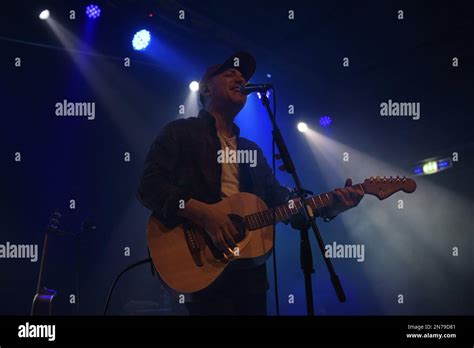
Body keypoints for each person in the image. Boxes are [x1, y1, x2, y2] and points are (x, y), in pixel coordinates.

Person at [137, 51, 364, 315]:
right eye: (229, 73)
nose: (240, 77)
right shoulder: (180, 132)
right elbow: (149, 186)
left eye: (243, 75)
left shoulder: (252, 151)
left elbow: (285, 205)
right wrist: (203, 213)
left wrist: (331, 206)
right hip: (202, 266)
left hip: (251, 277)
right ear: (206, 88)